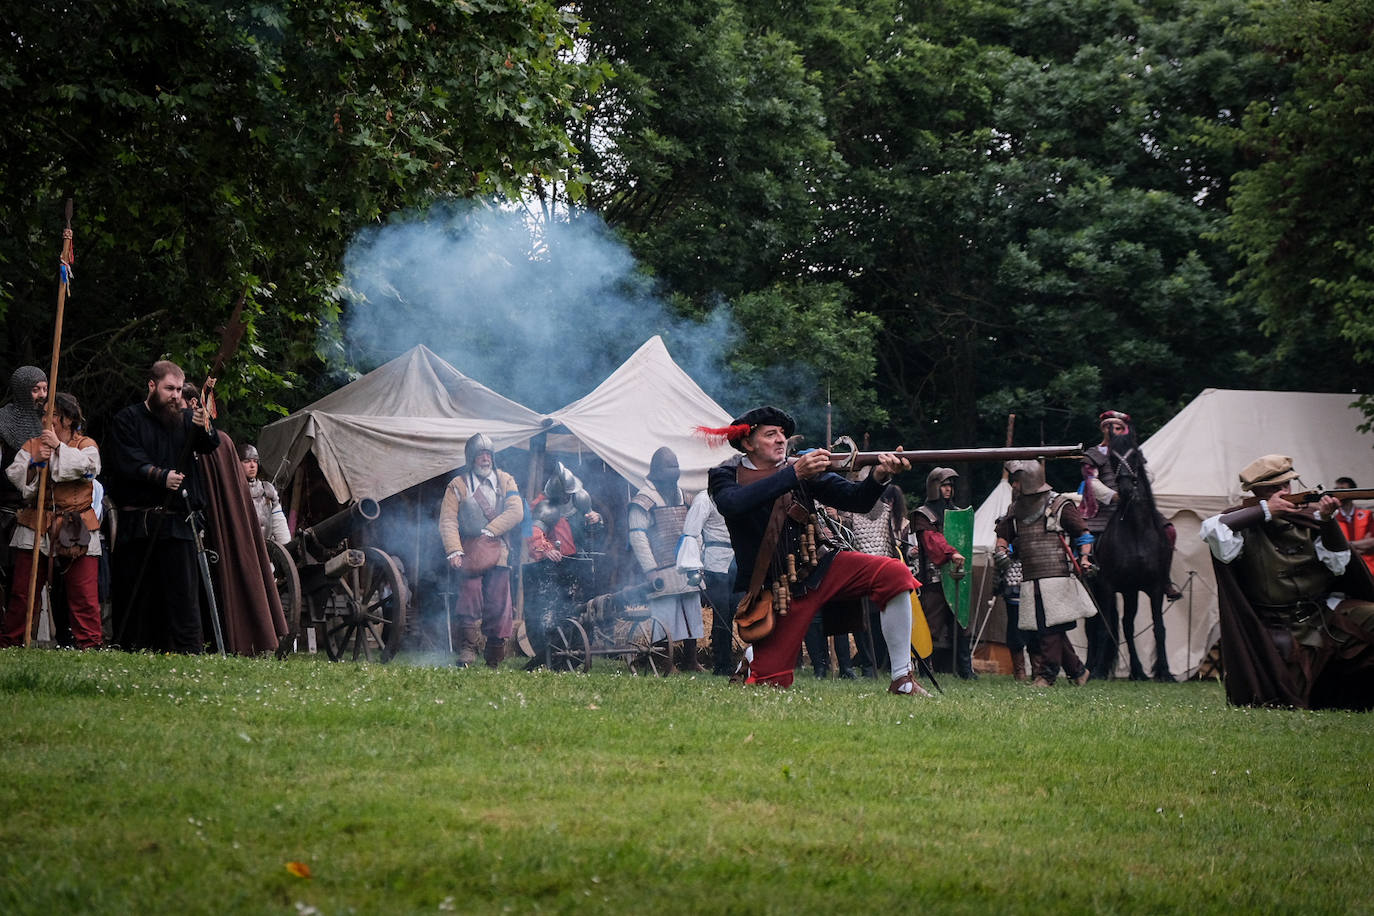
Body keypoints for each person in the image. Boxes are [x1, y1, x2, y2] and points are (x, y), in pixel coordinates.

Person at [703, 405, 928, 695]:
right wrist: (794, 473)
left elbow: (856, 500)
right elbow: (734, 504)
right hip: (778, 592)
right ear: (748, 443)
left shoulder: (801, 470)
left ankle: (902, 679)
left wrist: (880, 476)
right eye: (771, 434)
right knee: (769, 685)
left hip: (820, 566)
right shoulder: (725, 476)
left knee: (895, 574)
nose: (781, 440)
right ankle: (754, 658)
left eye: (782, 434)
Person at [1200, 455, 1374, 709]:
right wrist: (1266, 511)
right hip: (1278, 625)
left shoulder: (1309, 517)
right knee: (1285, 702)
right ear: (1256, 491)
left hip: (1324, 614)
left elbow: (1338, 563)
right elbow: (1211, 529)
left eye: (1286, 485)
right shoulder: (1241, 523)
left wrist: (1327, 520)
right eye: (1274, 488)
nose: (1283, 491)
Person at [106, 360, 220, 653]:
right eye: (170, 388)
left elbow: (210, 444)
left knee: (182, 596)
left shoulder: (184, 420)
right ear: (152, 385)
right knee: (137, 592)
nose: (175, 395)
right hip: (139, 524)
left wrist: (203, 425)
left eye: (179, 389)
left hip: (177, 524)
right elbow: (126, 461)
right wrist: (160, 476)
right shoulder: (127, 419)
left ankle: (187, 652)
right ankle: (132, 648)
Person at [0, 393, 102, 648]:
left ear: (67, 419)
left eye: (52, 414)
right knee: (23, 592)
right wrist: (37, 463)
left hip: (76, 524)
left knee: (83, 594)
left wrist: (59, 448)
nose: (45, 419)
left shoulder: (86, 444)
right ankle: (12, 643)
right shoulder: (34, 444)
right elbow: (16, 475)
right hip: (36, 522)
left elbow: (90, 469)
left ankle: (90, 645)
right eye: (44, 413)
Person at [994, 459, 1096, 687]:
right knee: (1049, 627)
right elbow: (1003, 533)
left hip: (1056, 576)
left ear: (1028, 481)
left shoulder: (1059, 504)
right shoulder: (1016, 509)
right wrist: (1001, 550)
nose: (1014, 486)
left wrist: (1085, 558)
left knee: (1049, 629)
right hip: (1031, 577)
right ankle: (1078, 672)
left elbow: (1084, 533)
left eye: (1017, 482)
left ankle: (1046, 675)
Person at [438, 433, 525, 668]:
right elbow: (448, 520)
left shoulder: (506, 481)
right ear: (471, 458)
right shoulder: (457, 485)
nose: (485, 459)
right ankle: (467, 649)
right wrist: (454, 550)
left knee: (499, 603)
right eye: (480, 455)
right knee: (469, 595)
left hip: (499, 550)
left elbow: (516, 512)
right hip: (470, 551)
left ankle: (494, 656)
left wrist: (491, 529)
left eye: (488, 455)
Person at [629, 447, 704, 672]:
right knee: (663, 616)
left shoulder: (684, 496)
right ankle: (664, 661)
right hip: (661, 567)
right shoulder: (643, 500)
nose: (675, 471)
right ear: (658, 470)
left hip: (686, 565)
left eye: (676, 465)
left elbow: (695, 530)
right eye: (669, 466)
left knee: (691, 612)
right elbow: (637, 536)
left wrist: (696, 559)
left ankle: (690, 660)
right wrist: (651, 569)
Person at [524, 461, 602, 661]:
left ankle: (579, 646)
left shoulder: (580, 498)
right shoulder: (542, 504)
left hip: (576, 561)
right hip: (551, 566)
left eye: (570, 493)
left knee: (580, 607)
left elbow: (591, 529)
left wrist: (595, 519)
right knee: (552, 609)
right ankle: (550, 650)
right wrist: (547, 549)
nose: (568, 497)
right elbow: (533, 534)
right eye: (565, 494)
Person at [843, 473, 909, 678]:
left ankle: (885, 664)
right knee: (861, 623)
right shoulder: (849, 512)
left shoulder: (888, 511)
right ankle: (868, 665)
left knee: (882, 621)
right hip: (858, 570)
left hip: (882, 570)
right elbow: (846, 541)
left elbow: (891, 542)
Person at [910, 467, 973, 678]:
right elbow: (932, 541)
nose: (948, 490)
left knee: (960, 623)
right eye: (944, 485)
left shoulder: (957, 513)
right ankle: (925, 668)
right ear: (935, 487)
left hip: (957, 576)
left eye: (950, 486)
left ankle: (964, 670)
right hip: (934, 577)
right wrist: (951, 553)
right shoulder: (923, 515)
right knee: (932, 625)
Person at [676, 488, 739, 676]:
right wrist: (694, 563)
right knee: (722, 614)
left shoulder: (739, 495)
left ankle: (739, 661)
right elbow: (692, 533)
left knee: (737, 611)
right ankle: (721, 663)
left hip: (739, 561)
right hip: (715, 563)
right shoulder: (704, 499)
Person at [0, 366, 49, 570]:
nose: (42, 395)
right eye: (36, 389)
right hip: (7, 508)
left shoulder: (50, 422)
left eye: (45, 389)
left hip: (41, 510)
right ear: (21, 390)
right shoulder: (3, 421)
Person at [239, 443, 290, 544]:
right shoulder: (234, 492)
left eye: (255, 461)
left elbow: (278, 521)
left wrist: (286, 548)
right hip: (246, 547)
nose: (252, 465)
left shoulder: (267, 489)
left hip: (269, 547)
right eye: (247, 461)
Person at [1333, 476, 1374, 578]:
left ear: (1353, 492)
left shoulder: (1367, 515)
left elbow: (1371, 543)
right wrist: (1360, 545)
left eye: (1342, 489)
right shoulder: (1332, 518)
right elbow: (1333, 547)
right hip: (1344, 572)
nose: (1339, 493)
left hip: (1369, 569)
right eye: (1336, 490)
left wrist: (1347, 545)